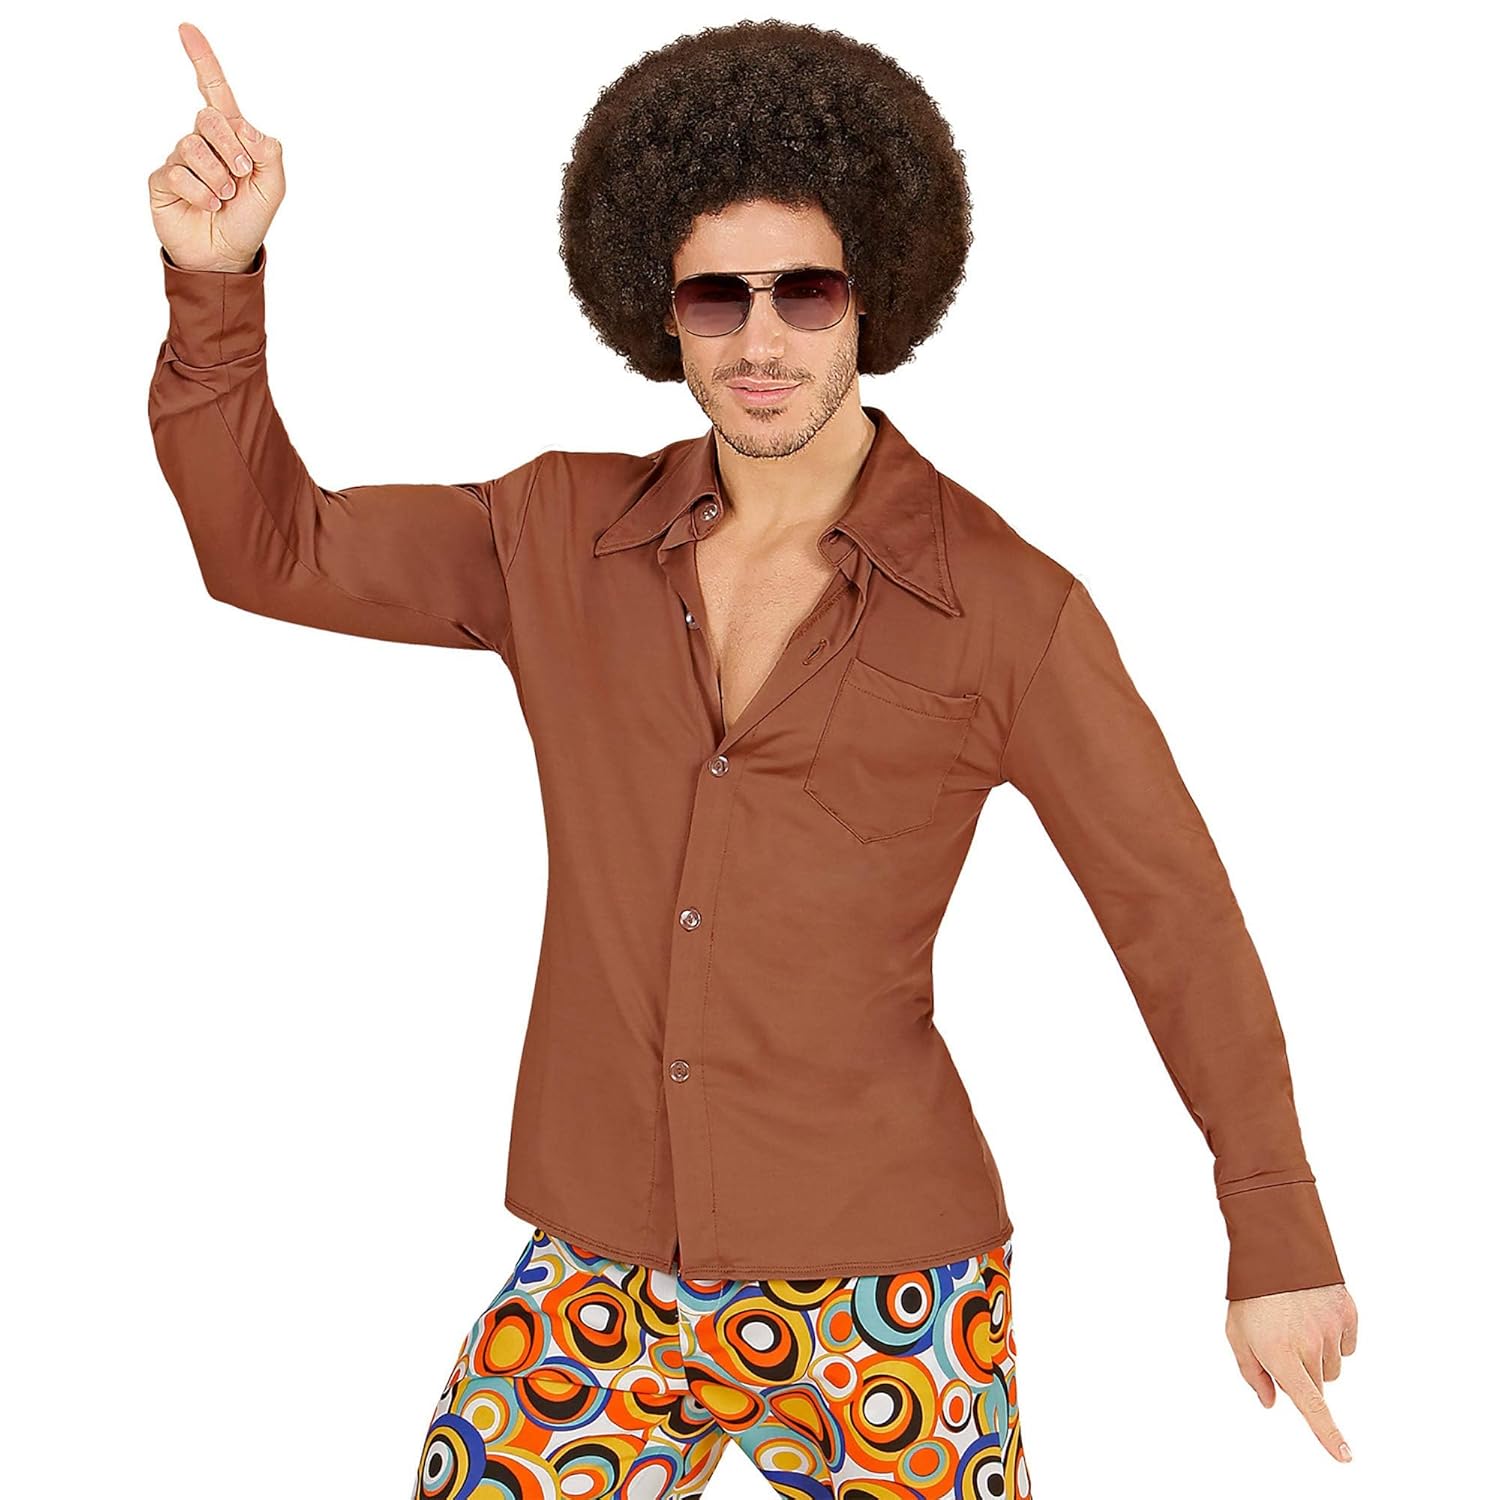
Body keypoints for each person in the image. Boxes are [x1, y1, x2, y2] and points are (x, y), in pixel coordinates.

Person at [145, 18, 1358, 1496]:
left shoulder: (1008, 609)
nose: (762, 342)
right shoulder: (555, 538)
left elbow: (1173, 913)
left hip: (888, 1289)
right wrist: (216, 285)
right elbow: (272, 550)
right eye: (717, 297)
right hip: (600, 1269)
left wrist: (1276, 1236)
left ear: (873, 295)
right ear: (659, 311)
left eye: (807, 291)